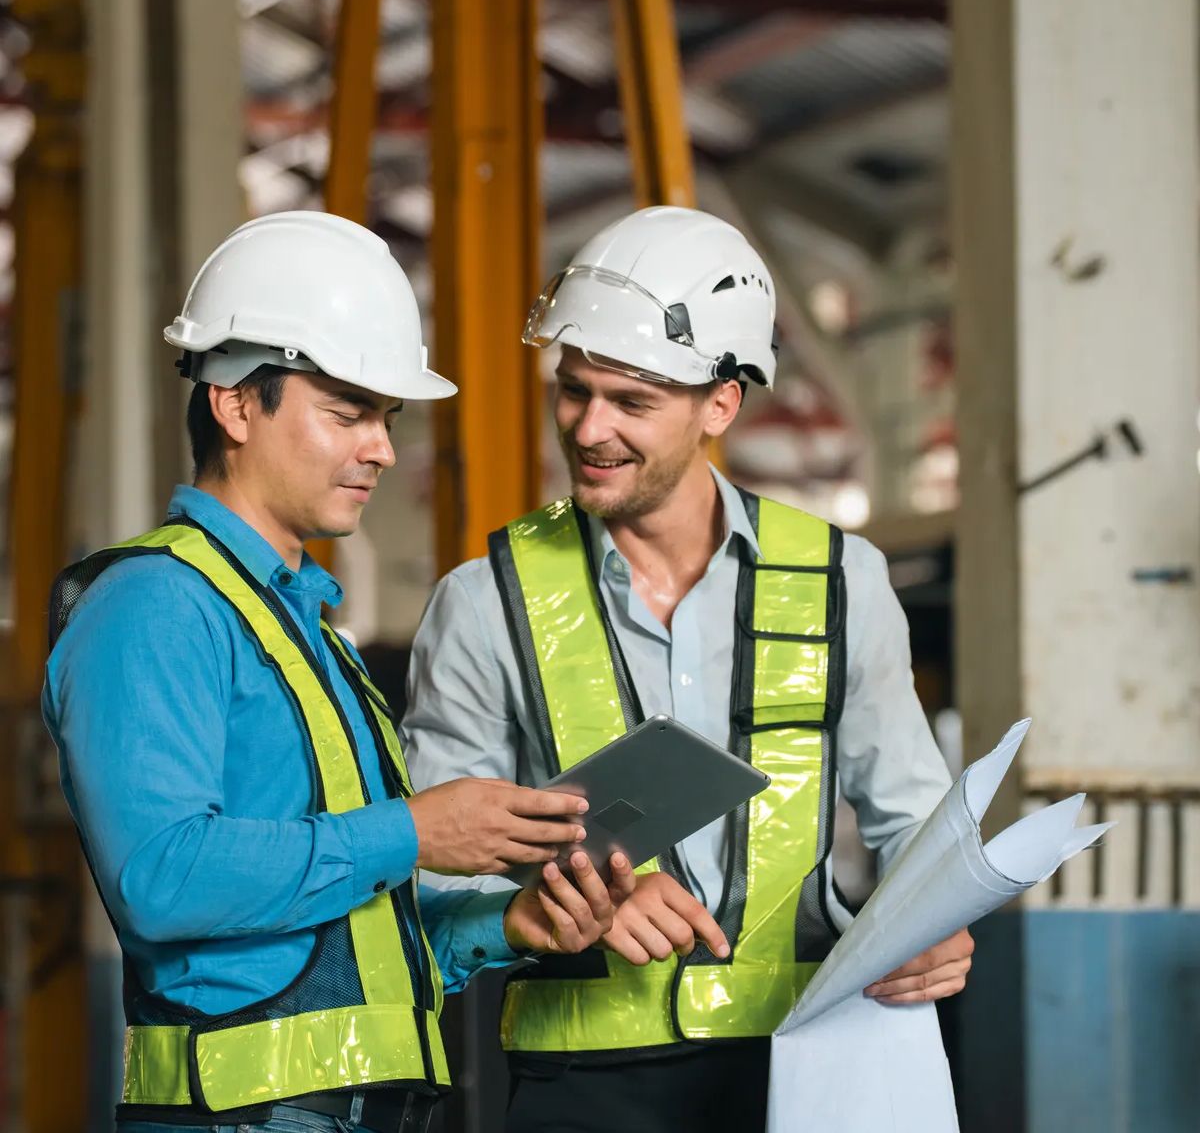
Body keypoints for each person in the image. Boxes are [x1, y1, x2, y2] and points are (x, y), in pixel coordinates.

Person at [42, 212, 631, 1133]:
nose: (384, 449)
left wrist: (506, 929)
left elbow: (343, 956)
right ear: (236, 403)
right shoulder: (153, 605)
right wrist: (413, 832)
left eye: (386, 419)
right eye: (348, 413)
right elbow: (162, 877)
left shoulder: (305, 631)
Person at [403, 206, 973, 1133]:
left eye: (632, 403)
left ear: (721, 403)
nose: (590, 429)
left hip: (810, 1069)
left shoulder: (842, 581)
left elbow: (914, 819)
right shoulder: (483, 602)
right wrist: (557, 891)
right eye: (573, 389)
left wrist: (938, 920)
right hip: (582, 1088)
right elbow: (429, 873)